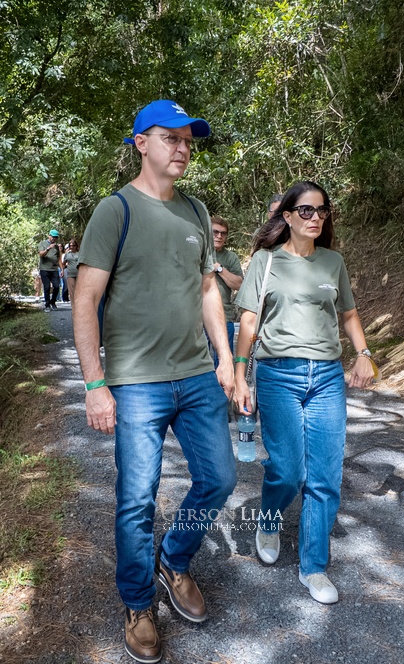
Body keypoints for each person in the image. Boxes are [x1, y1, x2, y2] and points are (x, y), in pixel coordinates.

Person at [73, 99, 236, 664]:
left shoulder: (196, 210)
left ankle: (175, 558)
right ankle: (138, 604)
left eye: (189, 140)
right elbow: (86, 297)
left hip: (195, 375)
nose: (183, 148)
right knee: (135, 500)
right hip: (136, 383)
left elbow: (208, 289)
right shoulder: (114, 211)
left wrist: (227, 359)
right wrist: (95, 385)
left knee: (219, 477)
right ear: (140, 143)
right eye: (171, 138)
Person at [234, 180, 374, 605]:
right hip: (278, 374)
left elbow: (348, 313)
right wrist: (240, 375)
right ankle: (270, 520)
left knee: (326, 476)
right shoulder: (265, 260)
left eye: (322, 210)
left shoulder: (333, 262)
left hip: (328, 376)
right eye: (306, 210)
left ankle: (313, 567)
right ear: (288, 216)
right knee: (289, 470)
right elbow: (248, 321)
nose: (316, 217)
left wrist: (363, 352)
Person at [211, 216, 243, 361]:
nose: (219, 236)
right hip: (197, 319)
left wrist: (219, 268)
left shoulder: (231, 258)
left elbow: (239, 284)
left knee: (225, 362)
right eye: (215, 232)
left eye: (223, 233)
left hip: (224, 317)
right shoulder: (196, 252)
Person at [38, 229, 63, 311]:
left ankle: (53, 302)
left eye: (56, 237)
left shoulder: (56, 247)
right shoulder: (42, 243)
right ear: (49, 236)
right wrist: (48, 248)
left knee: (56, 286)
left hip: (54, 269)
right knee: (47, 287)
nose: (54, 239)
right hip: (44, 269)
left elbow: (59, 259)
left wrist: (62, 269)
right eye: (53, 237)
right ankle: (47, 305)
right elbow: (41, 254)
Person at [62, 239, 79, 304]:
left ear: (76, 246)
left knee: (78, 290)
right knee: (71, 291)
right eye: (70, 245)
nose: (71, 247)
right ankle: (73, 306)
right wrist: (62, 271)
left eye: (73, 245)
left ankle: (78, 304)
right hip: (70, 274)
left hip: (79, 274)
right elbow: (63, 263)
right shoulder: (67, 254)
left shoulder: (79, 253)